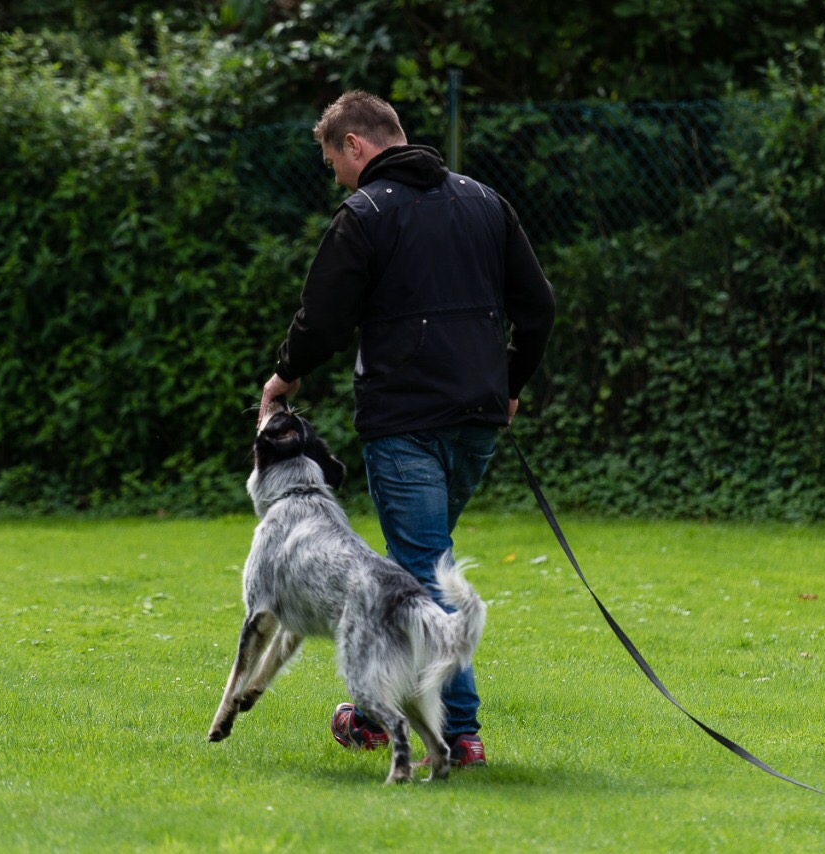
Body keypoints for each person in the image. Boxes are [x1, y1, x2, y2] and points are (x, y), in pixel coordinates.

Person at [256, 90, 555, 768]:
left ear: (354, 145)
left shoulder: (365, 213)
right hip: (478, 421)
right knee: (416, 559)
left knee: (418, 570)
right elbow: (538, 305)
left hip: (405, 424)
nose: (337, 176)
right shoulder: (485, 202)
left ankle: (461, 735)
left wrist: (286, 374)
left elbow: (323, 318)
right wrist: (510, 383)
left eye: (333, 161)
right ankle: (370, 713)